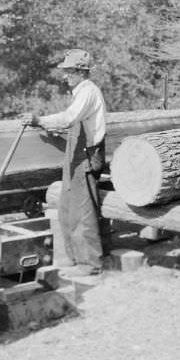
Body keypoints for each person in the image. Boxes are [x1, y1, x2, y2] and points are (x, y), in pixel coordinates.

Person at [22, 48, 107, 278]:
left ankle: (90, 265)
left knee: (83, 212)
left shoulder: (88, 92)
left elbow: (70, 118)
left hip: (86, 157)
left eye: (69, 71)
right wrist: (46, 126)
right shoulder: (80, 92)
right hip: (75, 155)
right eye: (65, 71)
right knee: (67, 209)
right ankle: (73, 258)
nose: (65, 76)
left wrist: (39, 119)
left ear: (81, 71)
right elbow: (70, 123)